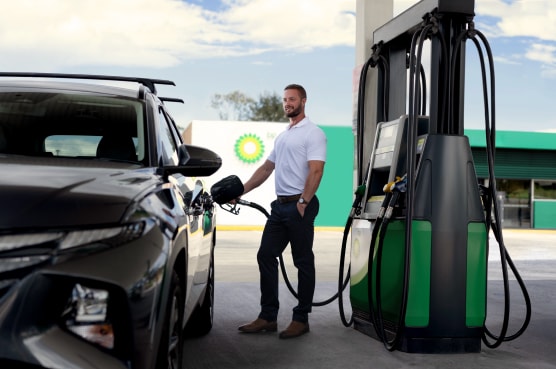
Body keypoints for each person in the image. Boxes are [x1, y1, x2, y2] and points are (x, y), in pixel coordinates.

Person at [237, 84, 327, 339]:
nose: (287, 103)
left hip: (300, 205)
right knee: (266, 255)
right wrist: (241, 191)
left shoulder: (313, 133)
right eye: (285, 99)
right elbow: (266, 169)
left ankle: (301, 319)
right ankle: (268, 317)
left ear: (303, 101)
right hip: (279, 207)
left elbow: (316, 170)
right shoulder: (283, 136)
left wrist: (304, 202)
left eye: (292, 99)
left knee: (302, 262)